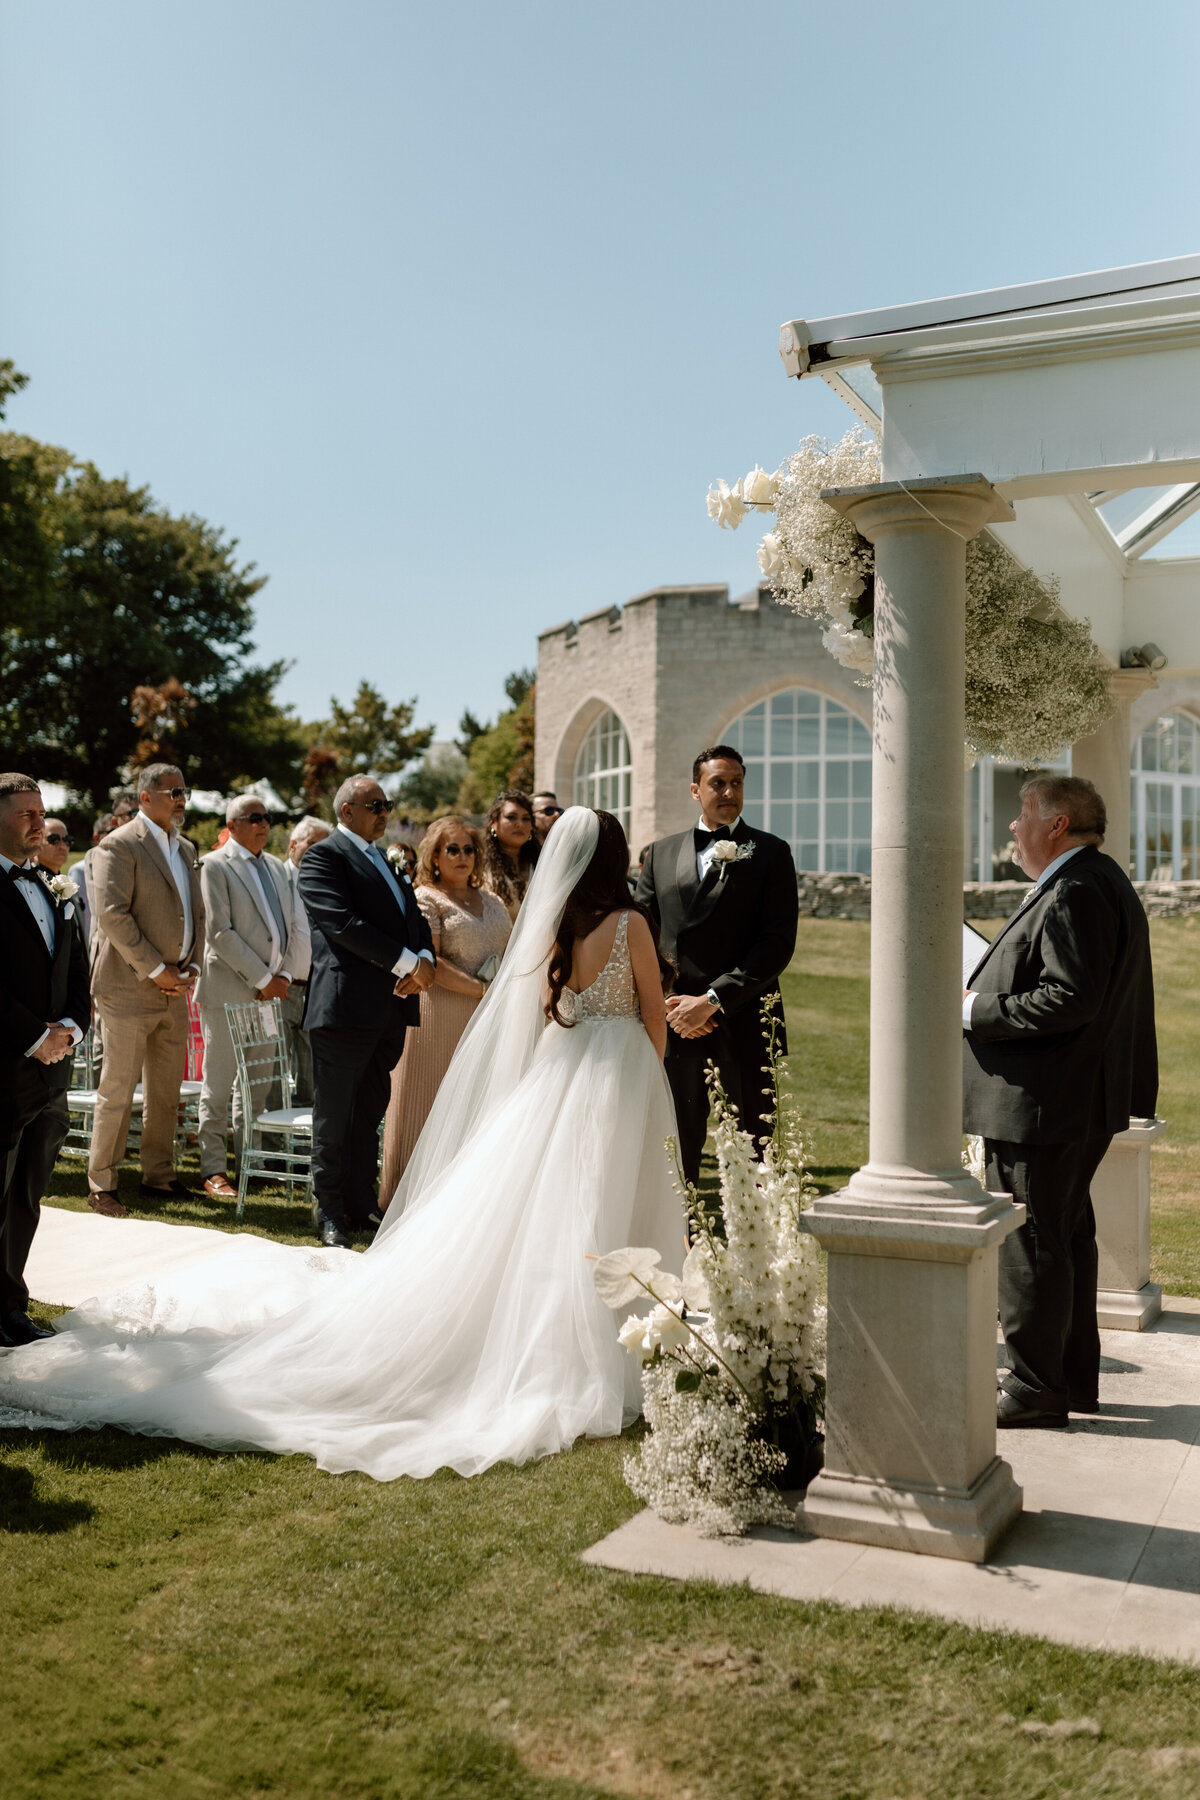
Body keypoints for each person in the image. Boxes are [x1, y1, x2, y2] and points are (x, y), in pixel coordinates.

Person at [0, 807, 683, 1485]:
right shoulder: (629, 925)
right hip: (619, 1073)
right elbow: (654, 1017)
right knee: (607, 1197)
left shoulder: (557, 924)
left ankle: (572, 1333)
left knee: (555, 1208)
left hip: (562, 1073)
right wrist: (649, 1080)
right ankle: (608, 1343)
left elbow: (544, 1010)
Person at [963, 774, 1157, 1430]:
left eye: (1022, 814)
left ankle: (1033, 1385)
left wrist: (974, 1010)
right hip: (1067, 1100)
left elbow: (1070, 997)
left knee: (1034, 1240)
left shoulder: (1075, 890)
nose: (1012, 827)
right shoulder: (1094, 881)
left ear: (1057, 825)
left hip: (1043, 1104)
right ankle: (1068, 1379)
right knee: (1065, 1235)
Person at [636, 745, 799, 1186]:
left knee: (755, 1149)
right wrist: (671, 1003)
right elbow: (641, 935)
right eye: (717, 783)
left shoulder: (771, 852)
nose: (729, 791)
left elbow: (777, 944)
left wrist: (711, 1000)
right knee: (678, 1148)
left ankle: (763, 1243)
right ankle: (682, 1240)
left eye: (736, 782)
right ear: (695, 790)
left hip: (744, 1020)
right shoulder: (660, 854)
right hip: (675, 1024)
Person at [298, 777, 436, 1247]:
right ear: (346, 811)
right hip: (343, 1008)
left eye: (387, 804)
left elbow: (413, 918)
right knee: (334, 1116)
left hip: (390, 1010)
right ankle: (329, 1211)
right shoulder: (323, 857)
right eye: (374, 805)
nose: (384, 812)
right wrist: (407, 962)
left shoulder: (388, 860)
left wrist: (428, 961)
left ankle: (360, 1206)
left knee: (368, 1112)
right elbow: (341, 923)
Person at [87, 764, 205, 1218]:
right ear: (144, 797)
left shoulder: (187, 848)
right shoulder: (118, 844)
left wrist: (190, 964)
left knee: (165, 1091)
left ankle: (158, 1176)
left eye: (184, 791)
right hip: (128, 986)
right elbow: (113, 915)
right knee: (117, 1088)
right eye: (172, 791)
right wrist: (157, 969)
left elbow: (195, 912)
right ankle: (102, 1183)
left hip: (176, 988)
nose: (181, 799)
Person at [0, 775, 90, 1347]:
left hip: (53, 1071)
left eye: (41, 811)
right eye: (26, 813)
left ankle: (11, 1306)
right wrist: (34, 1035)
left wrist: (72, 1029)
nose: (39, 821)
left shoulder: (53, 884)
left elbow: (76, 968)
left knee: (27, 1195)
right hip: (6, 1064)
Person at [379, 817, 511, 1199]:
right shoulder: (426, 897)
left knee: (476, 1103)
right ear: (435, 855)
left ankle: (465, 1197)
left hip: (488, 1014)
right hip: (440, 1013)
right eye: (452, 849)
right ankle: (411, 1195)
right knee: (429, 1099)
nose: (462, 857)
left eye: (469, 849)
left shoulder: (493, 899)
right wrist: (481, 990)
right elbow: (429, 961)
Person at [195, 796, 311, 1201]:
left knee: (258, 1085)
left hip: (270, 993)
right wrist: (263, 978)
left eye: (268, 818)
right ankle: (212, 1169)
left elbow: (290, 925)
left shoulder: (277, 867)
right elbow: (220, 932)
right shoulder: (214, 865)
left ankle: (253, 1161)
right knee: (220, 1083)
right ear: (234, 823)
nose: (264, 824)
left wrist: (281, 976)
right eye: (255, 818)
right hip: (228, 990)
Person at [279, 816, 331, 1105]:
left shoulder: (329, 887)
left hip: (316, 992)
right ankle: (271, 1149)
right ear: (292, 846)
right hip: (279, 991)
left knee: (311, 1083)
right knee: (274, 1079)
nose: (318, 852)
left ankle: (303, 1147)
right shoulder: (276, 879)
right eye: (312, 844)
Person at [481, 789, 538, 920]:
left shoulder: (542, 863)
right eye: (511, 817)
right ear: (494, 823)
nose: (520, 824)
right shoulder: (478, 866)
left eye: (526, 818)